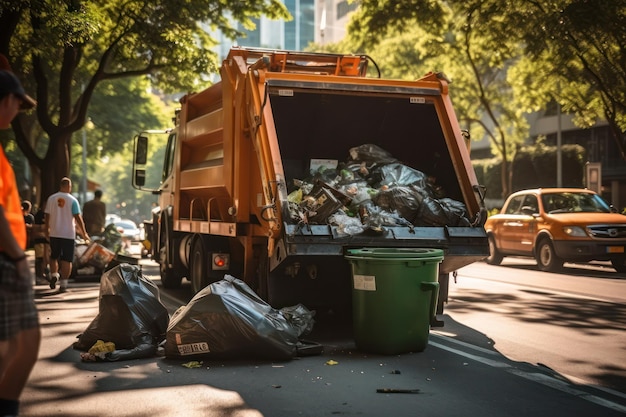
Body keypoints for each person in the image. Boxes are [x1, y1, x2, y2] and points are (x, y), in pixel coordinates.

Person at [0, 67, 41, 417]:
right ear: (8, 100)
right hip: (4, 258)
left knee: (14, 345)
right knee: (22, 344)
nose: (17, 113)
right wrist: (17, 258)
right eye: (17, 103)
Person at [44, 177, 89, 292]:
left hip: (54, 233)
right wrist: (84, 234)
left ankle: (54, 275)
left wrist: (46, 230)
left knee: (54, 256)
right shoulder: (72, 200)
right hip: (68, 234)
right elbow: (78, 218)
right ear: (69, 186)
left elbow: (47, 216)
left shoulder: (51, 199)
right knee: (67, 259)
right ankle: (63, 284)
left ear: (60, 185)